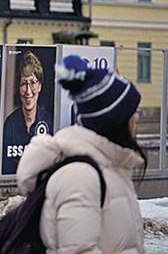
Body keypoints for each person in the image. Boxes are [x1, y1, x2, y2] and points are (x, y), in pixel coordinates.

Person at [17, 55, 145, 252]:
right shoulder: (81, 178)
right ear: (114, 120)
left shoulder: (110, 167)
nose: (136, 119)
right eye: (132, 113)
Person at [2, 51, 51, 174]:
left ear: (40, 86)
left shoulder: (49, 122)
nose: (28, 91)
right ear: (18, 88)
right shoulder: (10, 124)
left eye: (33, 83)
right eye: (24, 83)